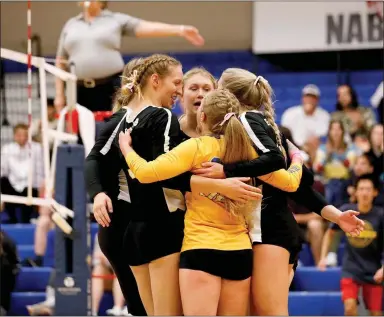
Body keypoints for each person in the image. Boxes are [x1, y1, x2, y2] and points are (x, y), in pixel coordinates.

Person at [86, 55, 261, 316]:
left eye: (205, 89)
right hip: (164, 229)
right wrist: (223, 186)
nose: (182, 90)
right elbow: (157, 173)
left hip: (140, 229)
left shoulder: (128, 118)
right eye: (183, 84)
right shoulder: (165, 119)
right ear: (156, 81)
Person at [193, 68, 365, 315]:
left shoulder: (248, 120)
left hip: (271, 229)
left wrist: (226, 171)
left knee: (270, 311)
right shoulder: (252, 127)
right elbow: (298, 182)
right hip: (259, 230)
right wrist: (336, 215)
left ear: (229, 93)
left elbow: (281, 165)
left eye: (218, 86)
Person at [118, 89, 305, 315]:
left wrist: (126, 147)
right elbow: (291, 183)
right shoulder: (247, 152)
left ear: (203, 116)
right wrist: (296, 160)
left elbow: (146, 174)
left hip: (201, 248)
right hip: (240, 252)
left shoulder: (196, 147)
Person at [55, 0, 204, 112]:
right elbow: (60, 61)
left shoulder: (115, 20)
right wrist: (59, 94)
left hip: (110, 86)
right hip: (77, 88)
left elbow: (143, 27)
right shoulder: (71, 24)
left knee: (113, 131)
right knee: (82, 135)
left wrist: (180, 30)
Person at [318, 174, 383, 316]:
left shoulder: (380, 215)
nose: (365, 193)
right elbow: (330, 233)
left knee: (376, 313)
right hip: (351, 269)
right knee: (349, 307)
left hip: (374, 269)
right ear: (356, 192)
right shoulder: (348, 211)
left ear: (375, 192)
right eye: (361, 189)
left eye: (368, 189)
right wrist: (323, 257)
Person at [1, 123, 44, 223]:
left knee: (31, 188)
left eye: (25, 135)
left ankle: (26, 219)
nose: (22, 138)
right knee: (3, 181)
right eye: (19, 135)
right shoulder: (7, 149)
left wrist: (40, 192)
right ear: (14, 136)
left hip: (29, 187)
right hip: (13, 186)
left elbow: (40, 171)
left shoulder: (36, 148)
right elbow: (3, 171)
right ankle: (12, 218)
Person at [179, 67, 217, 138]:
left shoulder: (223, 132)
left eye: (206, 89)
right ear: (181, 95)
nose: (200, 94)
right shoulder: (170, 129)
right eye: (194, 89)